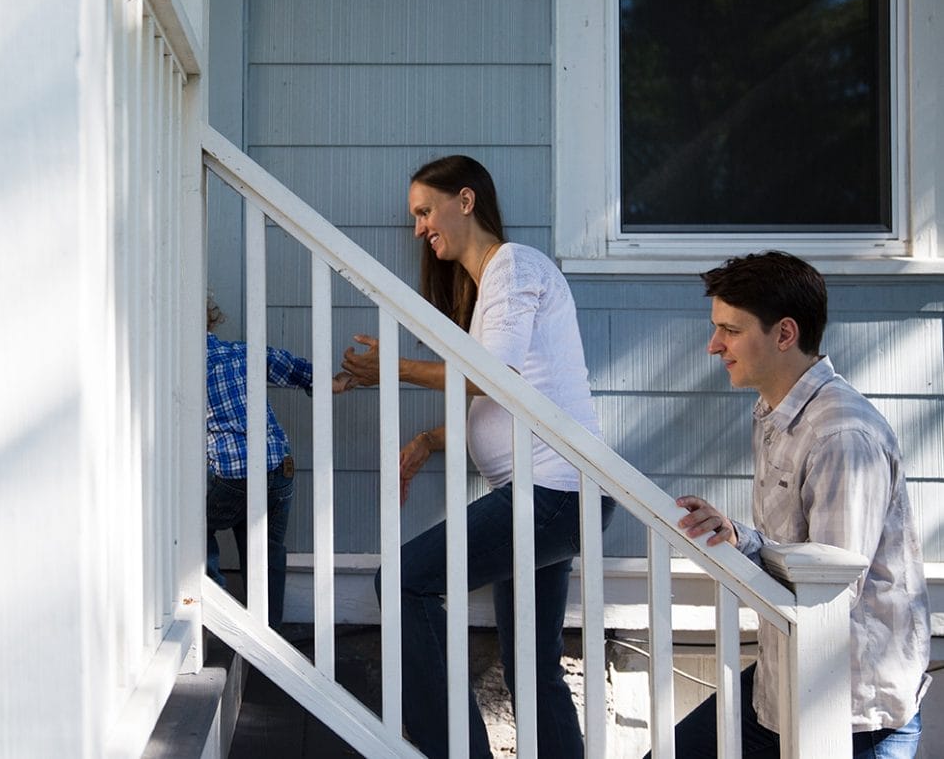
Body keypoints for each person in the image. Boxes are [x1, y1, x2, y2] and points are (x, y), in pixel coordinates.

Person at [339, 155, 615, 758]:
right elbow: (512, 397)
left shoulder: (514, 266)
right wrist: (432, 440)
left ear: (465, 200)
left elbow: (493, 377)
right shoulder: (491, 283)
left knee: (406, 582)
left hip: (551, 495)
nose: (417, 228)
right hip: (557, 497)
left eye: (424, 211)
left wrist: (392, 368)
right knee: (532, 675)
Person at [666, 251, 930, 758]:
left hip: (850, 713)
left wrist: (744, 545)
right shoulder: (774, 411)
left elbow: (830, 594)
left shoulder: (841, 434)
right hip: (782, 686)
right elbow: (796, 552)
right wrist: (735, 537)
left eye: (731, 330)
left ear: (785, 334)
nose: (713, 345)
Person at [206, 300, 351, 629]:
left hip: (232, 474)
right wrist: (329, 381)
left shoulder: (180, 362)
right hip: (277, 467)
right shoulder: (241, 351)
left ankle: (212, 608)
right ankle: (267, 629)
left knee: (193, 528)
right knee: (265, 548)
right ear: (209, 322)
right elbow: (286, 365)